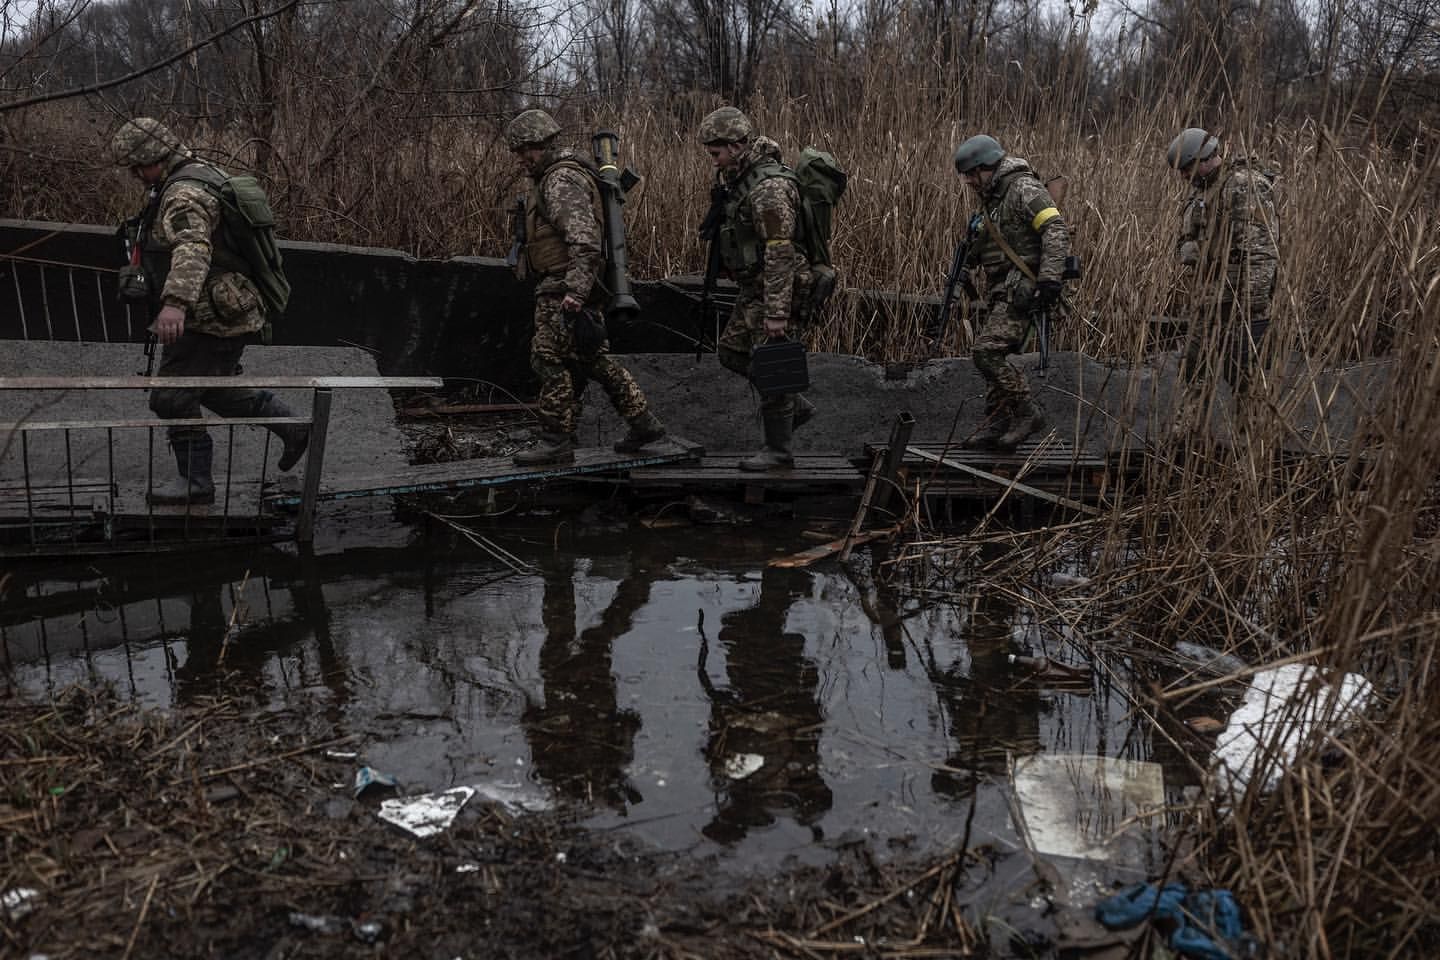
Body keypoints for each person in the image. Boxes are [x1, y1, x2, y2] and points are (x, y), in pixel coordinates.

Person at [109, 117, 308, 505]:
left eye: (136, 167)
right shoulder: (199, 173)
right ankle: (293, 427)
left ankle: (196, 482)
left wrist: (174, 304)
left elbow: (193, 248)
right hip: (226, 307)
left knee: (172, 397)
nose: (134, 175)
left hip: (209, 314)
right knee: (214, 387)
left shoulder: (183, 193)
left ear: (153, 158)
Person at [504, 108, 666, 466]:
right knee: (593, 359)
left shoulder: (560, 181)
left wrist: (574, 293)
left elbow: (585, 240)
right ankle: (644, 423)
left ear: (541, 145)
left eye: (524, 150)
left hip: (565, 285)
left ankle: (555, 440)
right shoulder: (558, 177)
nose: (520, 159)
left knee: (547, 359)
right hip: (573, 282)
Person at [697, 106, 817, 471]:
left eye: (716, 153)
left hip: (778, 289)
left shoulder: (769, 188)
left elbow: (780, 251)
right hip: (756, 286)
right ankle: (793, 406)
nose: (715, 161)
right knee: (732, 351)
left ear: (735, 146)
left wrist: (777, 312)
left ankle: (779, 450)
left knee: (774, 365)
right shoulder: (742, 181)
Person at [952, 134, 1071, 450]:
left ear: (986, 167)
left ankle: (1027, 411)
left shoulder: (1023, 189)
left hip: (1024, 288)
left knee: (986, 352)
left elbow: (1055, 229)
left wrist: (1049, 280)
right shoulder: (994, 199)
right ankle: (997, 422)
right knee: (996, 354)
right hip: (1002, 290)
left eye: (971, 175)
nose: (968, 182)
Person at [1166, 127, 1279, 394]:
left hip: (1239, 303)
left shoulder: (1244, 185)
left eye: (1187, 167)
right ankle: (1189, 431)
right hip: (1209, 300)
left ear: (1204, 158)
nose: (1183, 176)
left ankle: (1250, 431)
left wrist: (1252, 307)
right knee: (1193, 368)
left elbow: (1262, 250)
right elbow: (1189, 238)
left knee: (1244, 375)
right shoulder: (1202, 190)